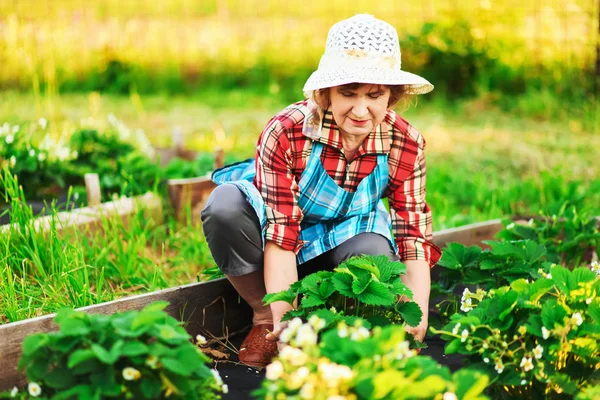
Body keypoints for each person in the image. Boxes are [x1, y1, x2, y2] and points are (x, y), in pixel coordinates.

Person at [201, 14, 441, 367]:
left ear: (392, 95)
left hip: (349, 237)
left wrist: (415, 319)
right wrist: (287, 329)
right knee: (224, 206)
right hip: (277, 240)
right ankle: (263, 318)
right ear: (326, 93)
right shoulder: (287, 132)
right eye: (348, 93)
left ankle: (341, 324)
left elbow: (412, 235)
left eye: (374, 95)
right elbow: (281, 235)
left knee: (374, 255)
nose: (361, 110)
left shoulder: (404, 142)